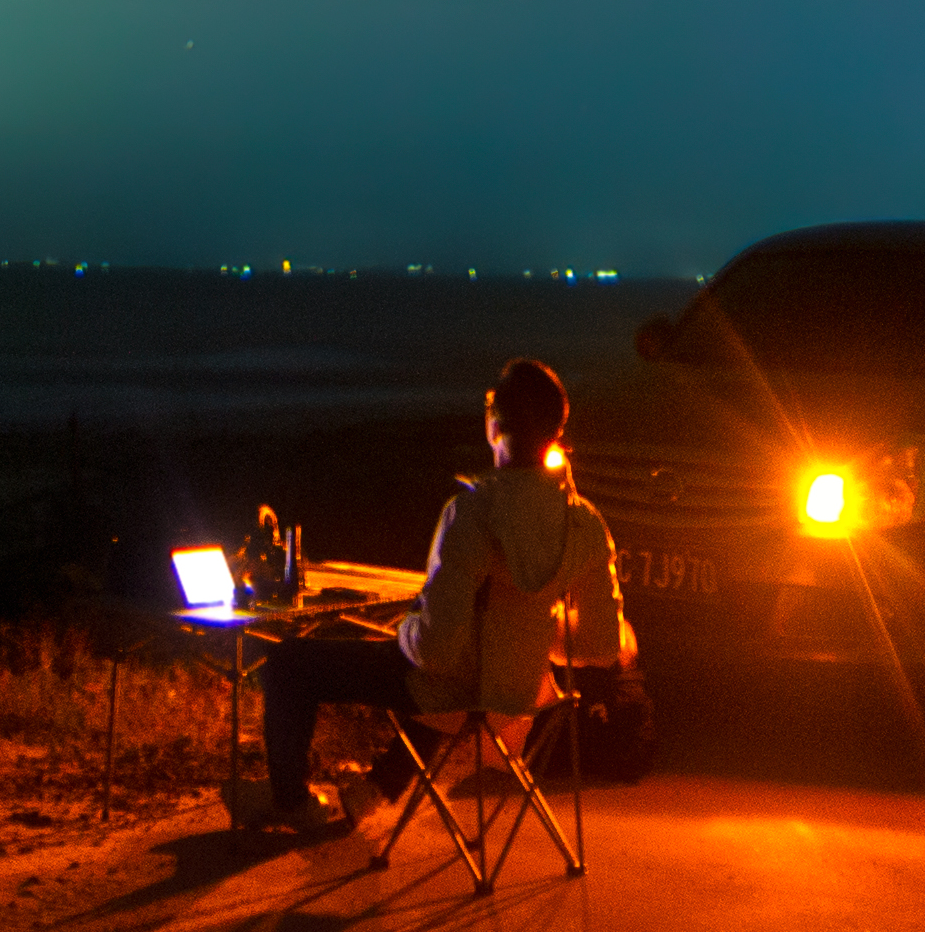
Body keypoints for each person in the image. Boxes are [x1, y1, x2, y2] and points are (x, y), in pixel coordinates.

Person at [248, 355, 635, 836]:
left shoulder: (470, 512)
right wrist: (531, 632)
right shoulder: (586, 524)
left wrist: (405, 628)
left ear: (493, 422)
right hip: (522, 698)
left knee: (290, 664)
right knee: (460, 664)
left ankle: (289, 802)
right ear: (556, 432)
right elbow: (600, 646)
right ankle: (376, 790)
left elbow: (432, 652)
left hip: (455, 697)